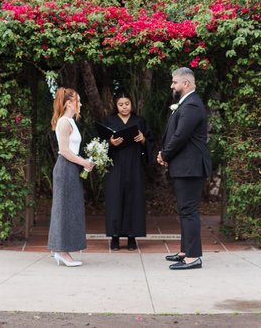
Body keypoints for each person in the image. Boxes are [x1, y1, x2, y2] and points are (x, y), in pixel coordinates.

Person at [157, 67, 212, 270]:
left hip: (191, 166)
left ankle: (193, 257)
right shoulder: (186, 104)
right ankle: (184, 251)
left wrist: (164, 154)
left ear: (185, 83)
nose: (172, 85)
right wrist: (165, 153)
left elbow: (181, 135)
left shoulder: (192, 105)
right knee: (184, 210)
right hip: (184, 165)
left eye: (174, 82)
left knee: (189, 210)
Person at [48, 87, 94, 266]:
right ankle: (62, 251)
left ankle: (60, 249)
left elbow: (72, 151)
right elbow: (65, 151)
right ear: (69, 103)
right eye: (78, 101)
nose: (80, 104)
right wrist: (84, 163)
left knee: (69, 208)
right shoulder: (64, 122)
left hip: (71, 168)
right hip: (65, 168)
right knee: (64, 210)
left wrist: (84, 162)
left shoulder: (71, 122)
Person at [102, 93, 154, 251]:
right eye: (121, 104)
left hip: (134, 165)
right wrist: (111, 142)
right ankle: (115, 237)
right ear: (115, 106)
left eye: (127, 103)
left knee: (134, 199)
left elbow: (150, 141)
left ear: (132, 104)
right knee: (115, 199)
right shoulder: (109, 121)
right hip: (115, 165)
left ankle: (132, 237)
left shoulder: (139, 121)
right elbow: (101, 142)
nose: (124, 107)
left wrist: (143, 140)